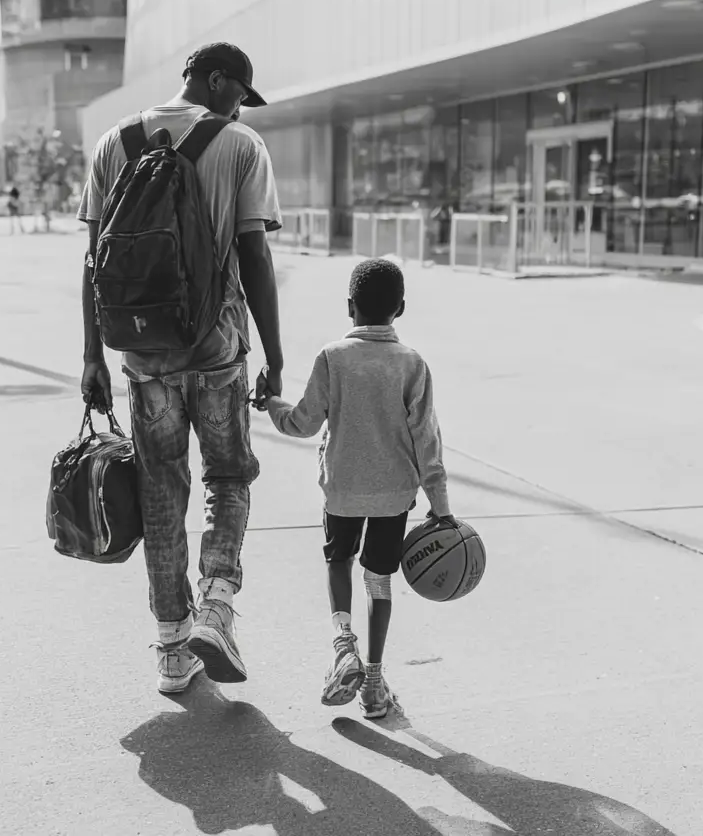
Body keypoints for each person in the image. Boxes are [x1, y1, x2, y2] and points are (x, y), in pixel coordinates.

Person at [78, 42, 284, 695]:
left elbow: (94, 261)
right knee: (229, 476)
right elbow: (254, 257)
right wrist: (276, 357)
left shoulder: (114, 143)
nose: (239, 108)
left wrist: (92, 355)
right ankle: (216, 606)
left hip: (145, 359)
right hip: (216, 350)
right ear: (216, 80)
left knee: (161, 493)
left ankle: (172, 646)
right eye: (239, 94)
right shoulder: (240, 146)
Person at [256, 258, 455, 719]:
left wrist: (271, 402)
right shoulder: (412, 364)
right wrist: (441, 505)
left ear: (350, 307)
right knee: (378, 580)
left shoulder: (333, 357)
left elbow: (303, 422)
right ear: (400, 308)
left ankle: (343, 644)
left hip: (342, 491)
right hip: (393, 494)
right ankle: (373, 682)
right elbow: (427, 440)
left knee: (339, 560)